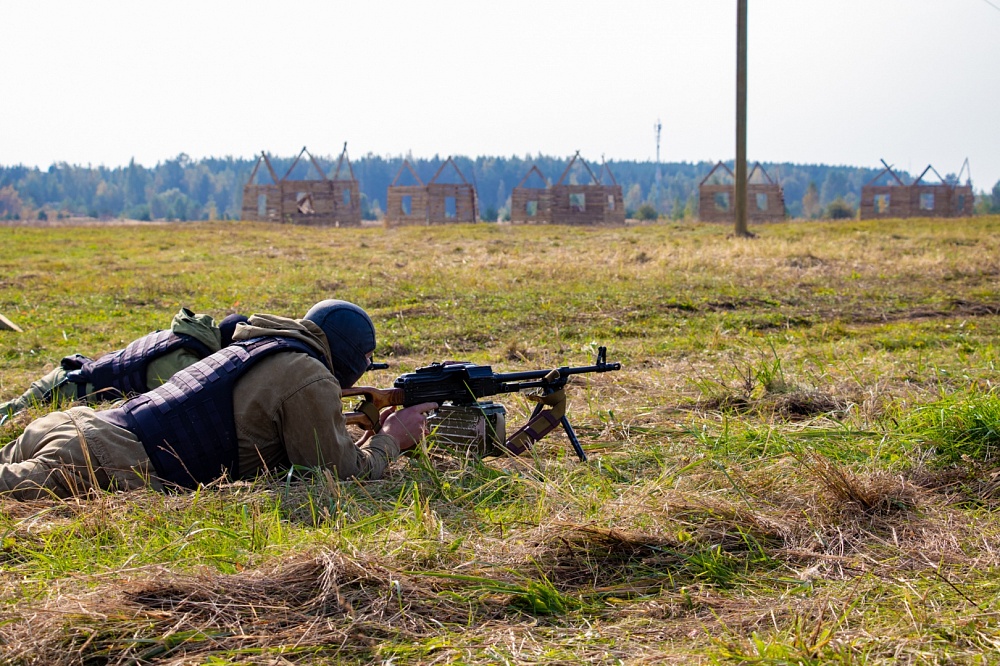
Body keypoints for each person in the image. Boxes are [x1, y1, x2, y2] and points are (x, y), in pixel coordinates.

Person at [0, 299, 435, 500]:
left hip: (72, 426)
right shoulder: (310, 376)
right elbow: (339, 475)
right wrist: (393, 439)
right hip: (100, 461)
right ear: (348, 359)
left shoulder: (259, 344)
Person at [0, 308, 249, 425]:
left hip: (69, 379)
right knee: (7, 416)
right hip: (63, 391)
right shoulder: (181, 363)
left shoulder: (186, 337)